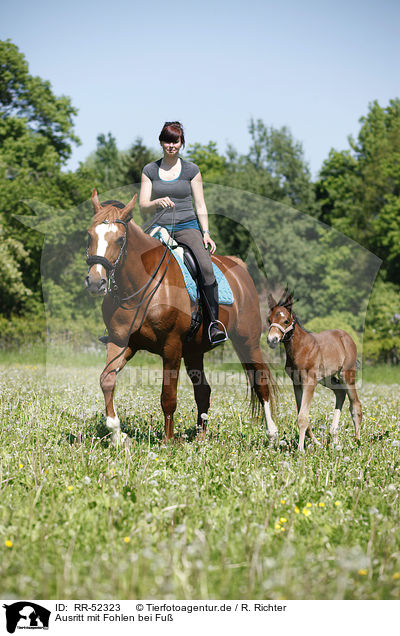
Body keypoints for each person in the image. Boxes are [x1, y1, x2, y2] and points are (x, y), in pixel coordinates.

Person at [139, 121, 227, 345]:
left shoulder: (191, 170)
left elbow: (201, 205)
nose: (171, 145)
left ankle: (213, 325)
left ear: (181, 143)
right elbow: (142, 205)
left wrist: (205, 233)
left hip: (187, 227)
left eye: (175, 141)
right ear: (161, 142)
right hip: (158, 227)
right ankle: (120, 322)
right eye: (167, 140)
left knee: (206, 268)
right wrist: (156, 201)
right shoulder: (149, 170)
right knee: (129, 262)